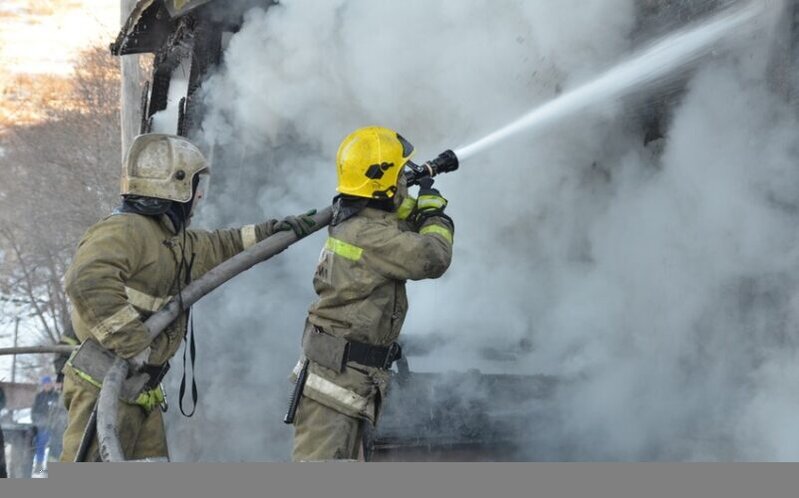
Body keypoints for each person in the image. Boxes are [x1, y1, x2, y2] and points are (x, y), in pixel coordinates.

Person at [60, 133, 316, 462]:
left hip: (139, 390)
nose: (199, 197)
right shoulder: (125, 230)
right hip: (103, 387)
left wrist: (276, 231)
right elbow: (86, 279)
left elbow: (224, 245)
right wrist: (132, 340)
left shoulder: (171, 239)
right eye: (195, 187)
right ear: (176, 187)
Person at [290, 126, 455, 461]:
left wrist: (409, 207)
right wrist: (435, 214)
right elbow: (433, 258)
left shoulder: (353, 220)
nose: (404, 184)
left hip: (345, 379)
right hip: (338, 384)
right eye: (400, 176)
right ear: (384, 183)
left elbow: (386, 223)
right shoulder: (370, 236)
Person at [31, 376, 59, 472]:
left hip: (55, 426)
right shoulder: (39, 396)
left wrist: (56, 421)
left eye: (48, 384)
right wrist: (37, 421)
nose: (47, 386)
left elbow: (60, 411)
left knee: (54, 446)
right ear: (43, 385)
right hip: (42, 426)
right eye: (45, 384)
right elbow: (34, 411)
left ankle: (50, 467)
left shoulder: (56, 396)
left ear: (51, 384)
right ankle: (38, 466)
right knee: (40, 445)